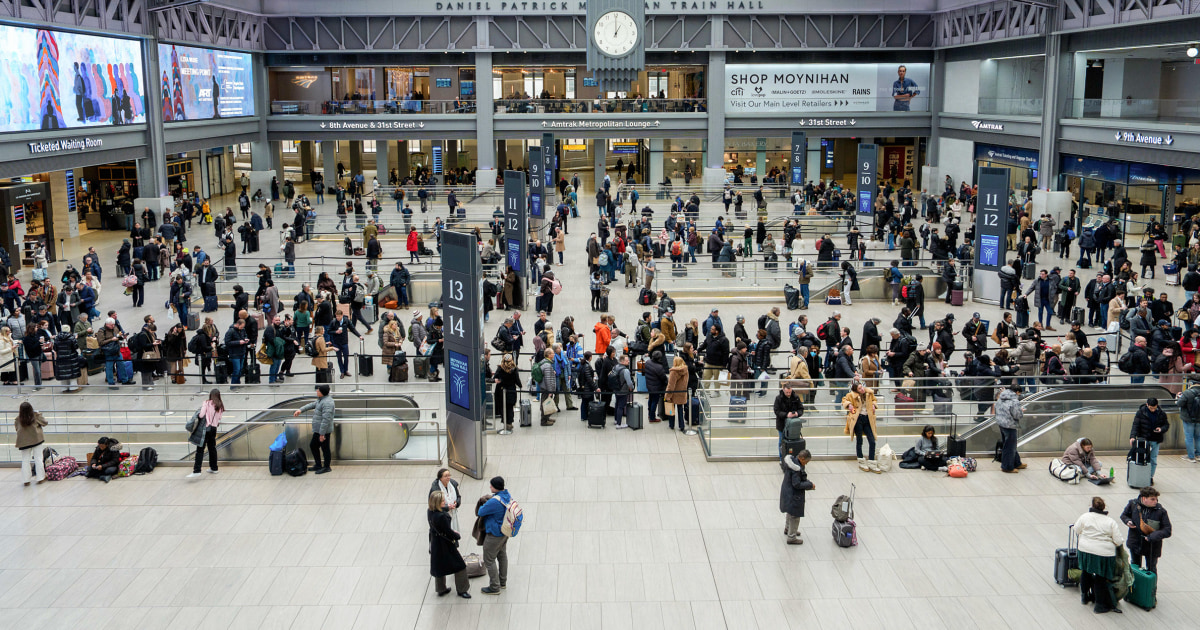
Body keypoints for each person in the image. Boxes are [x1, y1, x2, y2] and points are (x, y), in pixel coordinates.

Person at [1073, 497, 1128, 615]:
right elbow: (1118, 540)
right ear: (1104, 507)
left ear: (1092, 505)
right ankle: (1099, 605)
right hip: (1104, 553)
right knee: (1100, 577)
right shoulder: (1110, 521)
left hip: (1085, 550)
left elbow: (1076, 530)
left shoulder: (1084, 517)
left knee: (1086, 572)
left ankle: (1084, 597)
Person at [428, 490, 471, 599]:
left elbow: (440, 511)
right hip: (446, 545)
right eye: (442, 501)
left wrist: (447, 508)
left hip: (435, 543)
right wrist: (457, 535)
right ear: (437, 503)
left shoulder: (430, 511)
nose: (444, 502)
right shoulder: (443, 517)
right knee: (460, 566)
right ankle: (462, 590)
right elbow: (448, 531)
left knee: (439, 566)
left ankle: (440, 588)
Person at [1120, 486, 1171, 574]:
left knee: (1151, 569)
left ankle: (1151, 587)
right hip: (1135, 542)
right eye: (1152, 499)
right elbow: (1124, 515)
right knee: (1135, 567)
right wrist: (1127, 521)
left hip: (1152, 546)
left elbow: (1167, 530)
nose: (1155, 501)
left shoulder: (1161, 511)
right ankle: (1134, 586)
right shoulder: (1133, 504)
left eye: (1156, 499)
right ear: (1144, 498)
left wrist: (1153, 536)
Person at [476, 476, 513, 595]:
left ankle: (494, 587)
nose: (490, 487)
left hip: (494, 534)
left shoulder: (494, 501)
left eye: (491, 485)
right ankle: (502, 582)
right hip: (504, 532)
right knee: (502, 556)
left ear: (495, 487)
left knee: (489, 560)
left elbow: (480, 512)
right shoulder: (507, 495)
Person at [293, 384, 335, 474]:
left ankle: (327, 467)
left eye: (318, 391)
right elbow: (313, 404)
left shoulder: (327, 403)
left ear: (322, 393)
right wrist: (300, 410)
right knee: (314, 446)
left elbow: (326, 420)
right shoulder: (321, 400)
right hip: (318, 430)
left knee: (325, 448)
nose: (317, 392)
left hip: (323, 431)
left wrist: (322, 434)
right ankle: (318, 465)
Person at [779, 448, 815, 545]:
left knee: (789, 512)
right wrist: (810, 485)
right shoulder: (796, 469)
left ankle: (788, 528)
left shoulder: (792, 462)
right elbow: (797, 484)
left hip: (787, 492)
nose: (806, 464)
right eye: (806, 462)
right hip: (793, 495)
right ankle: (792, 536)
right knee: (795, 515)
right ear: (802, 458)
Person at [842, 381, 879, 473]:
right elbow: (844, 400)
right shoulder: (851, 395)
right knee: (859, 440)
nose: (862, 389)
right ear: (856, 390)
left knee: (872, 441)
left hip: (868, 419)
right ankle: (861, 460)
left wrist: (873, 405)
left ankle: (871, 461)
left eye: (861, 387)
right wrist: (851, 407)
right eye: (859, 388)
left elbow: (874, 400)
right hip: (858, 420)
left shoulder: (869, 393)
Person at [1129, 397, 1169, 483]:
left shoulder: (1161, 414)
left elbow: (1166, 425)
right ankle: (1141, 476)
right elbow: (1135, 425)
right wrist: (1132, 436)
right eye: (1151, 408)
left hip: (1155, 439)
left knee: (1153, 459)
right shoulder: (1141, 413)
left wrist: (1161, 429)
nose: (1153, 410)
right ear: (1147, 405)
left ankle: (1150, 477)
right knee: (1141, 459)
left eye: (1154, 408)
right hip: (1143, 440)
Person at [187, 389, 224, 478]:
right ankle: (214, 468)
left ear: (211, 395)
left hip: (205, 429)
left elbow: (201, 415)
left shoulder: (207, 403)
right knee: (212, 448)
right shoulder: (220, 405)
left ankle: (197, 470)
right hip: (213, 429)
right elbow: (219, 418)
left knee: (200, 450)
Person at [15, 402, 48, 485]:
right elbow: (45, 422)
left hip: (23, 442)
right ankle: (40, 478)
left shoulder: (18, 419)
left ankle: (26, 480)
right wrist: (39, 414)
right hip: (36, 440)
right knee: (38, 458)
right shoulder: (35, 416)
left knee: (25, 460)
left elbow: (16, 429)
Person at [996, 384, 1026, 473]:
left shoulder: (1001, 396)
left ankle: (1017, 462)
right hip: (1010, 425)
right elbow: (1017, 415)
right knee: (1010, 447)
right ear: (1017, 392)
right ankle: (1007, 467)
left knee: (1009, 445)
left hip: (1001, 423)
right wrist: (1021, 411)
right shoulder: (1014, 401)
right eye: (1019, 394)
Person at [1176, 377, 1200, 462]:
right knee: (1198, 437)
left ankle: (1191, 457)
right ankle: (1198, 455)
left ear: (1191, 384)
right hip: (1199, 419)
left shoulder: (1187, 393)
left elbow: (1179, 404)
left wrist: (1178, 397)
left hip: (1188, 418)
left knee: (1189, 437)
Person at [431, 468, 462, 532]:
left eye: (449, 475)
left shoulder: (453, 484)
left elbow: (458, 496)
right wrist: (447, 507)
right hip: (442, 515)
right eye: (446, 476)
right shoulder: (435, 489)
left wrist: (457, 503)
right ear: (440, 478)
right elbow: (433, 505)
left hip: (453, 512)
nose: (448, 477)